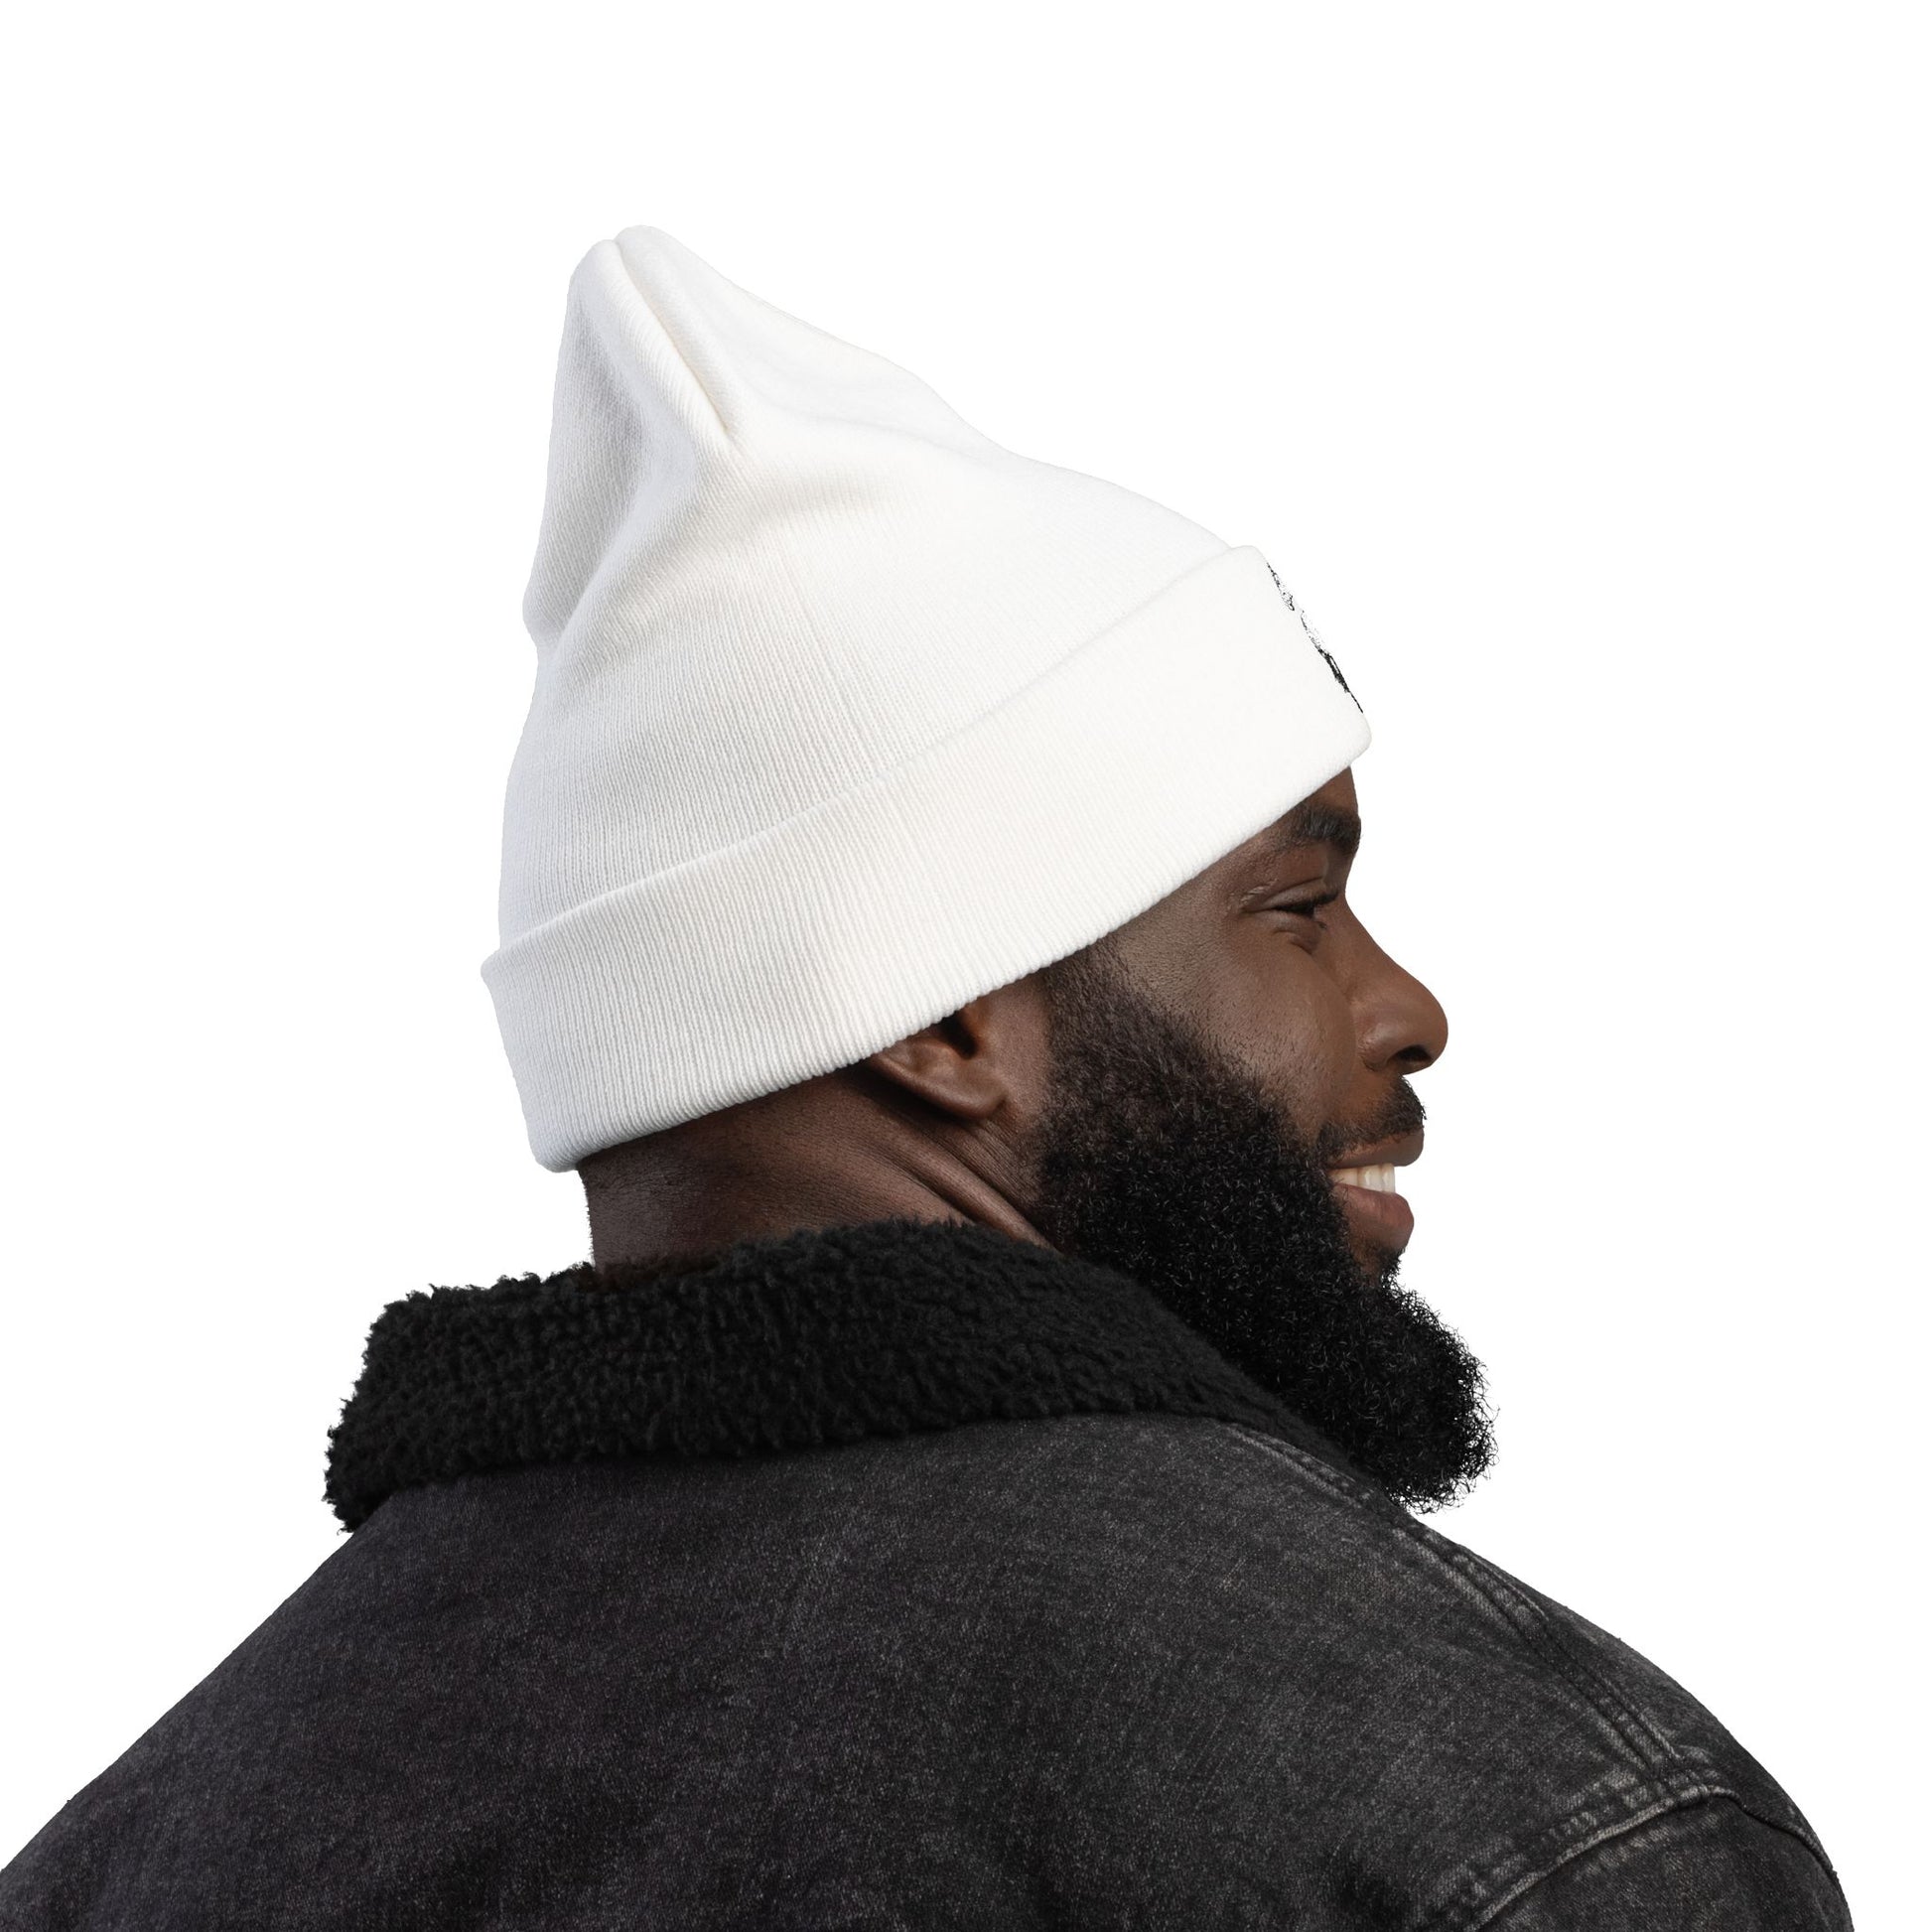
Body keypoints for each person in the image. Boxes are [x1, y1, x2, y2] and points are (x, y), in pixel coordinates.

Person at [0, 227, 1853, 1929]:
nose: (1405, 1007)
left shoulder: (127, 1856)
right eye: (1295, 906)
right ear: (940, 1013)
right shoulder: (1506, 1812)